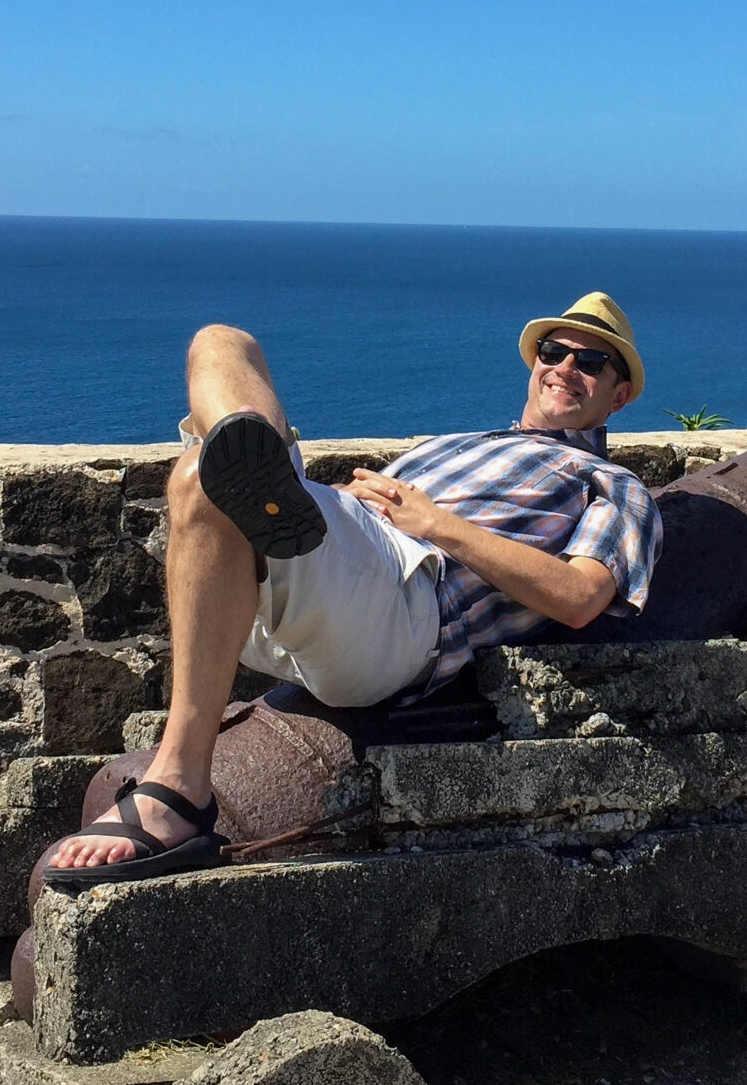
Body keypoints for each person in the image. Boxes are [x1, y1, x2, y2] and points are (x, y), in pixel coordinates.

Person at [44, 293, 663, 883]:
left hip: (411, 606)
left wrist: (437, 524)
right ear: (534, 363)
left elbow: (581, 598)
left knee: (202, 477)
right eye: (553, 352)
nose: (564, 369)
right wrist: (346, 499)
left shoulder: (609, 483)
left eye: (590, 362)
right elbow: (367, 524)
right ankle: (256, 466)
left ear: (620, 394)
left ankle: (177, 785)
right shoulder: (448, 446)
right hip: (342, 568)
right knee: (219, 347)